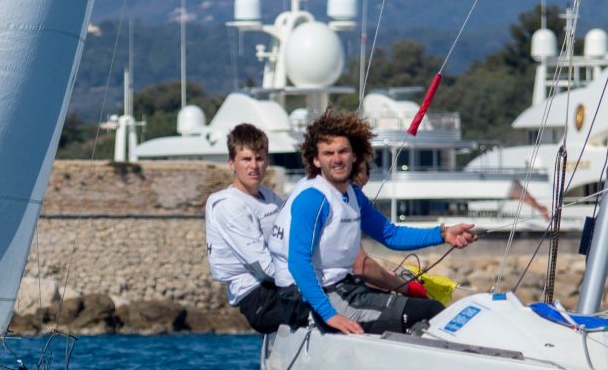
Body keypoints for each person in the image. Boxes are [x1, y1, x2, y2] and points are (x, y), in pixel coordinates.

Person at [284, 111, 477, 335]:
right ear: (316, 160)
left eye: (343, 151)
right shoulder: (313, 199)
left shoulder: (352, 195)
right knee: (431, 311)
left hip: (350, 289)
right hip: (327, 298)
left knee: (427, 308)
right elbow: (298, 262)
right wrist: (331, 316)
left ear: (354, 155)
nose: (337, 159)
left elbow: (390, 234)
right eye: (328, 153)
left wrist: (443, 234)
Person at [204, 123, 308, 333]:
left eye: (259, 159)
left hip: (282, 287)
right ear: (232, 164)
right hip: (258, 297)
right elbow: (265, 269)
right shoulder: (227, 204)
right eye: (246, 159)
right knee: (330, 308)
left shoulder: (270, 198)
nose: (254, 166)